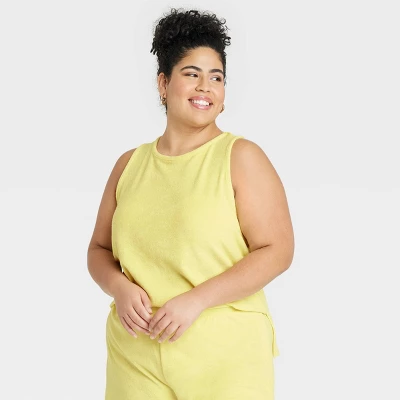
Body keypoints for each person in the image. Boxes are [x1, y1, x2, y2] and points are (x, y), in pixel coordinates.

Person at [87, 7, 294, 400]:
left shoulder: (240, 157)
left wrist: (196, 300)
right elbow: (99, 249)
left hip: (225, 354)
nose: (205, 87)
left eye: (216, 77)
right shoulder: (129, 165)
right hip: (135, 353)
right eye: (192, 74)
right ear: (163, 83)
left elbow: (277, 250)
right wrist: (118, 287)